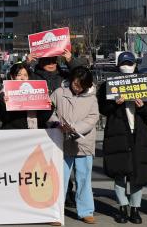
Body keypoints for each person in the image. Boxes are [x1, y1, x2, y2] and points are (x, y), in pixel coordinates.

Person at [98, 52, 147, 224]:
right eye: (124, 63)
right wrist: (113, 103)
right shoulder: (108, 85)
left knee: (138, 174)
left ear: (135, 65)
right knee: (119, 172)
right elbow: (103, 109)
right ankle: (122, 206)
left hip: (139, 134)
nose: (127, 66)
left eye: (130, 63)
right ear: (118, 65)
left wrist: (142, 107)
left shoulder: (145, 84)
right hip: (117, 133)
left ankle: (135, 208)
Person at [48, 66, 99, 224]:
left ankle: (86, 211)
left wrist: (76, 128)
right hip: (61, 141)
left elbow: (93, 118)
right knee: (59, 178)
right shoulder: (59, 92)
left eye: (80, 85)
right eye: (75, 83)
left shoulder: (91, 98)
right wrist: (56, 123)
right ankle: (56, 212)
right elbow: (49, 110)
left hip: (83, 142)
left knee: (83, 178)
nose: (76, 87)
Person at [0, 62, 52, 129]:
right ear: (12, 77)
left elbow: (43, 119)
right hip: (12, 133)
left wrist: (48, 105)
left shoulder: (36, 92)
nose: (22, 78)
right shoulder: (4, 94)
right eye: (19, 75)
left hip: (33, 132)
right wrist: (4, 105)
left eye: (25, 75)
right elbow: (4, 118)